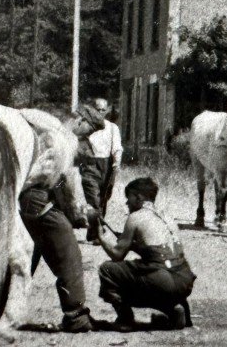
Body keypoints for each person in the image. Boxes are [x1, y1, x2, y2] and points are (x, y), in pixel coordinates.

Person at [17, 106, 104, 333]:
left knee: (25, 256)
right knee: (69, 255)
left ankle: (1, 313)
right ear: (79, 120)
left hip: (24, 197)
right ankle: (76, 316)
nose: (87, 136)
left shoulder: (44, 125)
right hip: (37, 198)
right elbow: (62, 180)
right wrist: (77, 212)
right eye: (88, 129)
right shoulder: (63, 138)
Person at [96, 177, 196, 331]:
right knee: (150, 274)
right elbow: (160, 252)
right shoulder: (166, 216)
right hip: (184, 280)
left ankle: (125, 319)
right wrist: (133, 246)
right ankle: (174, 308)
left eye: (128, 198)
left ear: (138, 197)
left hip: (164, 281)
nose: (127, 203)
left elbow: (117, 255)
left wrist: (101, 238)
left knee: (107, 270)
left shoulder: (135, 217)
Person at [82, 98, 124, 241]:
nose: (100, 113)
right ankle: (96, 234)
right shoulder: (86, 127)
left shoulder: (112, 127)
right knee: (93, 199)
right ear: (92, 110)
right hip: (90, 165)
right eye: (97, 109)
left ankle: (93, 230)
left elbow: (117, 147)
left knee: (103, 199)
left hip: (107, 165)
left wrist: (117, 161)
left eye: (102, 110)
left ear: (106, 110)